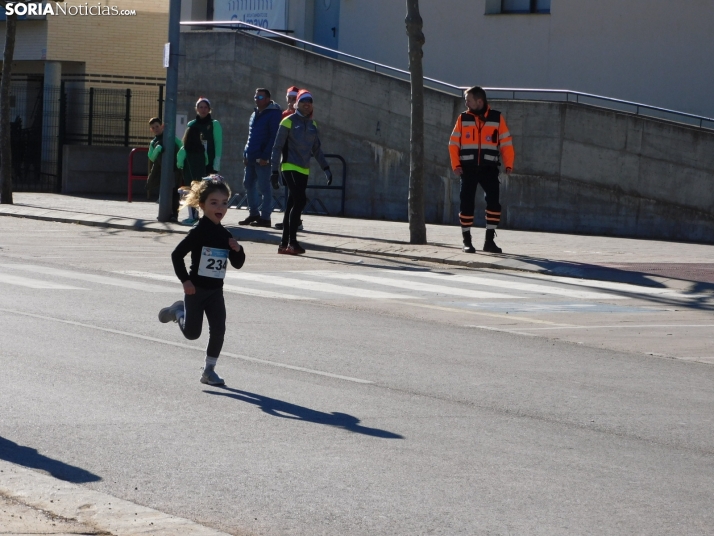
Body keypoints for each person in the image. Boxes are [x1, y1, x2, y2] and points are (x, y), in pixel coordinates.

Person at [158, 175, 246, 386]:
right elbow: (176, 255)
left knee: (218, 329)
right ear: (202, 205)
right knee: (192, 334)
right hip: (196, 290)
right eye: (214, 203)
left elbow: (238, 263)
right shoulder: (198, 232)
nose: (220, 207)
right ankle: (178, 311)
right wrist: (186, 281)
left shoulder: (226, 234)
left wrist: (238, 249)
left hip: (216, 292)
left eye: (224, 203)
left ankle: (209, 371)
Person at [449, 86, 514, 254]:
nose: (466, 103)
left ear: (479, 101)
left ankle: (489, 241)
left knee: (494, 204)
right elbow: (454, 143)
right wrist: (456, 165)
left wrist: (509, 164)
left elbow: (506, 143)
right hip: (468, 169)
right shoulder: (462, 119)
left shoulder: (497, 118)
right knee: (466, 203)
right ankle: (467, 242)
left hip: (489, 168)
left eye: (468, 100)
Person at [270, 89, 332, 255]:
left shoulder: (313, 125)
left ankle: (283, 244)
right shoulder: (287, 121)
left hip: (304, 170)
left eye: (310, 101)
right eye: (304, 101)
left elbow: (317, 149)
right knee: (300, 200)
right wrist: (274, 171)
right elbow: (276, 148)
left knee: (292, 204)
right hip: (289, 166)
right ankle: (293, 242)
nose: (307, 104)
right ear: (297, 103)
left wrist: (326, 168)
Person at [239, 88, 282, 228]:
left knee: (264, 187)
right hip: (251, 156)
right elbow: (250, 136)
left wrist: (266, 156)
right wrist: (245, 153)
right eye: (256, 96)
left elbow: (273, 137)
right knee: (248, 184)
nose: (257, 99)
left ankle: (265, 217)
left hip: (263, 158)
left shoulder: (274, 114)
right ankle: (254, 213)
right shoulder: (254, 114)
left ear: (268, 99)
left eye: (260, 97)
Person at [275, 85, 304, 232]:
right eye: (289, 99)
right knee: (290, 191)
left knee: (295, 192)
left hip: (298, 158)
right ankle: (293, 220)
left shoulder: (303, 116)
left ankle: (293, 220)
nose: (291, 102)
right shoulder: (284, 114)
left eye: (294, 99)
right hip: (286, 157)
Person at [146, 117, 183, 222]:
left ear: (162, 126)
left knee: (175, 192)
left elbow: (181, 146)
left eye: (157, 126)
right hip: (162, 171)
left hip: (175, 170)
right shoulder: (153, 142)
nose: (156, 129)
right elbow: (151, 157)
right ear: (151, 130)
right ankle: (164, 213)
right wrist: (157, 150)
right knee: (163, 192)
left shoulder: (171, 138)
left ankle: (174, 214)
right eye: (153, 128)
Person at [186, 97, 222, 173]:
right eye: (201, 107)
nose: (203, 110)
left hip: (210, 163)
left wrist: (216, 165)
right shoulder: (191, 124)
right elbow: (186, 144)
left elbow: (218, 144)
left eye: (206, 107)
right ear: (197, 109)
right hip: (195, 162)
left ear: (209, 109)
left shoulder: (214, 124)